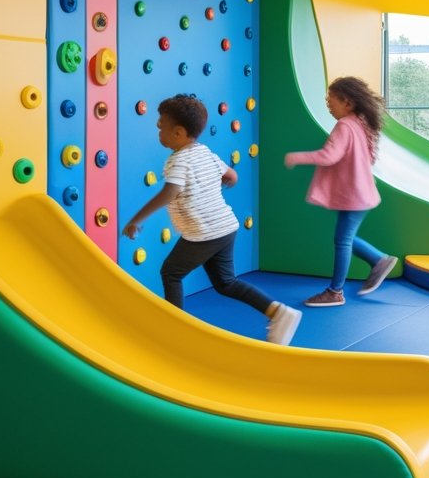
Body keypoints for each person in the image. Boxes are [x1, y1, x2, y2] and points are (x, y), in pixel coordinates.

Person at [122, 94, 302, 345]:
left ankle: (176, 329)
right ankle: (278, 312)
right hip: (225, 228)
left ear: (178, 133)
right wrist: (221, 180)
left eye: (161, 127)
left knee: (171, 272)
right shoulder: (204, 152)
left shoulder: (178, 161)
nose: (158, 131)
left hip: (203, 233)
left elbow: (170, 192)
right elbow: (233, 176)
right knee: (225, 283)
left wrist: (136, 219)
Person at [285, 76, 400, 307]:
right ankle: (378, 259)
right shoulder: (360, 123)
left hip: (354, 194)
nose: (328, 105)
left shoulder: (345, 125)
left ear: (347, 102)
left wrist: (297, 157)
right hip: (361, 192)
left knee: (343, 241)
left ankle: (335, 291)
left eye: (331, 101)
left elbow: (330, 156)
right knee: (343, 238)